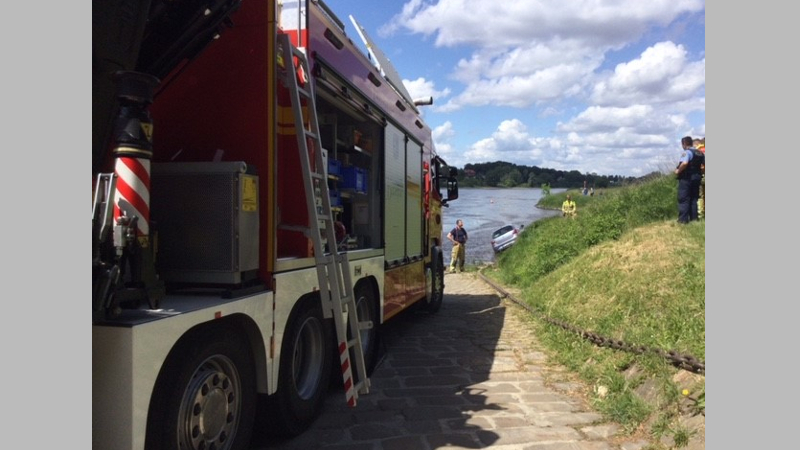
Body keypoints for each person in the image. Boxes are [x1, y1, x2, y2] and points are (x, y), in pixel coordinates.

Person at [675, 136, 705, 223]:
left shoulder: (687, 152)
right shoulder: (700, 153)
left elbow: (684, 163)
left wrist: (678, 170)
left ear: (684, 144)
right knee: (694, 199)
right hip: (697, 178)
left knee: (684, 198)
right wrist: (701, 172)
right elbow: (704, 166)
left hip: (686, 178)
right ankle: (694, 219)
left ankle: (683, 220)